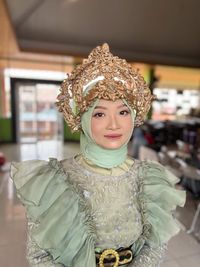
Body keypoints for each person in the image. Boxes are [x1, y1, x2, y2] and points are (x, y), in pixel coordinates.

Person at [10, 44, 185, 267]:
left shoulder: (149, 176)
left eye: (123, 112)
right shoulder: (54, 180)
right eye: (99, 113)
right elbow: (39, 257)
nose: (114, 124)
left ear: (134, 117)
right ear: (82, 120)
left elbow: (155, 245)